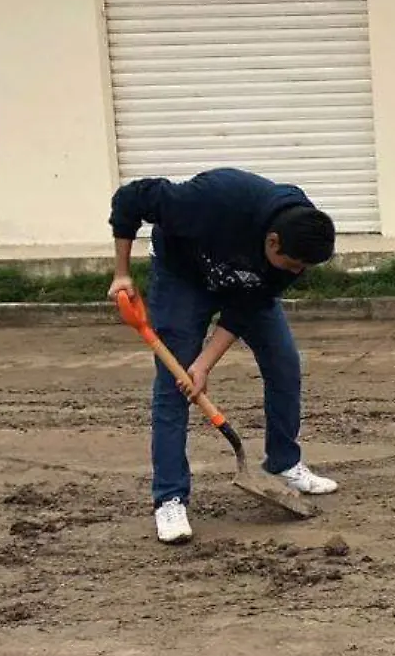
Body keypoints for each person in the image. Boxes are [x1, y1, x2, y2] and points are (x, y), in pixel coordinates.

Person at [107, 168, 340, 544]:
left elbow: (246, 308)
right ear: (273, 241)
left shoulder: (301, 237)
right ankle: (170, 497)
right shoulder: (208, 201)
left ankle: (283, 462)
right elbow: (128, 199)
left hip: (243, 285)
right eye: (294, 265)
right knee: (173, 384)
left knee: (284, 364)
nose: (297, 273)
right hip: (183, 277)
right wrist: (122, 273)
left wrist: (204, 364)